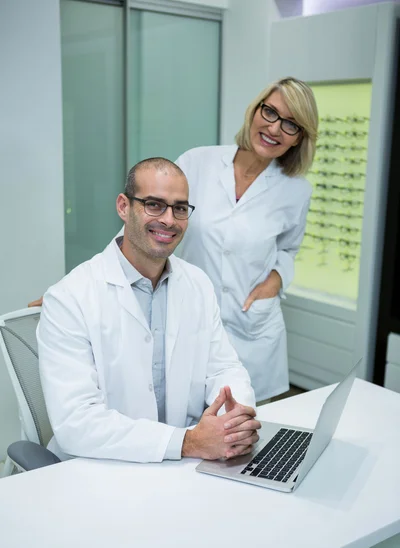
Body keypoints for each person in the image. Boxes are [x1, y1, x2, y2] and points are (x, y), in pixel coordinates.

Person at [37, 158, 260, 463]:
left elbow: (224, 368)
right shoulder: (69, 298)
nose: (169, 220)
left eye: (180, 208)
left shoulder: (197, 283)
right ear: (123, 207)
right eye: (154, 204)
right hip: (101, 467)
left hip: (186, 464)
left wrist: (234, 421)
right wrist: (188, 442)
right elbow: (77, 423)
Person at [175, 77, 319, 402]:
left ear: (299, 139)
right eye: (270, 112)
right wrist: (82, 288)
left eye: (291, 125)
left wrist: (275, 280)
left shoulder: (296, 191)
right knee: (192, 428)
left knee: (249, 433)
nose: (275, 128)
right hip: (191, 325)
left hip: (251, 331)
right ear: (255, 111)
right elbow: (145, 227)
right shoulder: (197, 163)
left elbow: (288, 248)